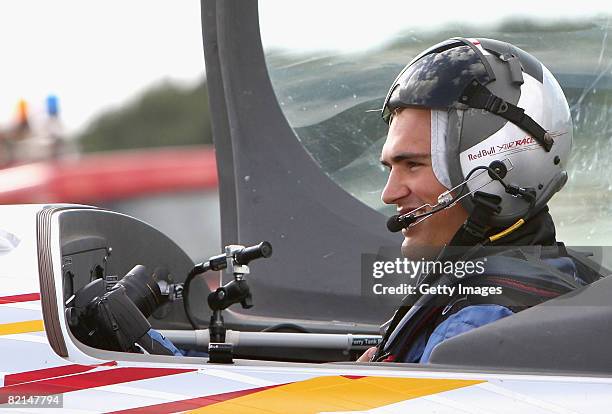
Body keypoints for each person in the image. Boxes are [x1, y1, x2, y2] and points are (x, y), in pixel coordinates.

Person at [359, 37, 603, 363]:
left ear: (498, 173)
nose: (389, 193)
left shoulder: (475, 327)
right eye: (391, 168)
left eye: (413, 165)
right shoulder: (570, 275)